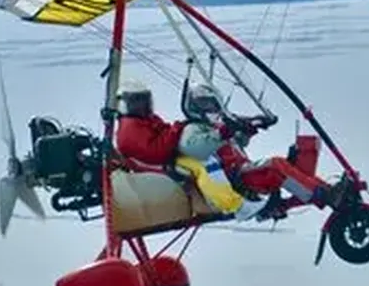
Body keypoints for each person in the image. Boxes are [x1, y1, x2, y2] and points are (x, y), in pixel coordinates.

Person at [113, 79, 266, 221]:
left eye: (144, 101)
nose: (142, 106)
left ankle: (242, 190)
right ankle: (234, 206)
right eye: (136, 102)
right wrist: (178, 130)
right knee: (203, 165)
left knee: (212, 154)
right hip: (155, 163)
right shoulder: (129, 129)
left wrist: (179, 129)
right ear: (124, 104)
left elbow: (163, 133)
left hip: (166, 155)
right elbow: (155, 151)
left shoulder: (144, 119)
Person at [182, 83, 348, 212]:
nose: (210, 109)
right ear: (194, 106)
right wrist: (223, 133)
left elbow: (237, 142)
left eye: (212, 104)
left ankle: (331, 193)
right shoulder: (192, 129)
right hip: (235, 179)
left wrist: (252, 126)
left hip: (244, 171)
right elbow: (196, 148)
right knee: (276, 165)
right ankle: (321, 195)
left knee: (301, 154)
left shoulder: (216, 128)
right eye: (205, 104)